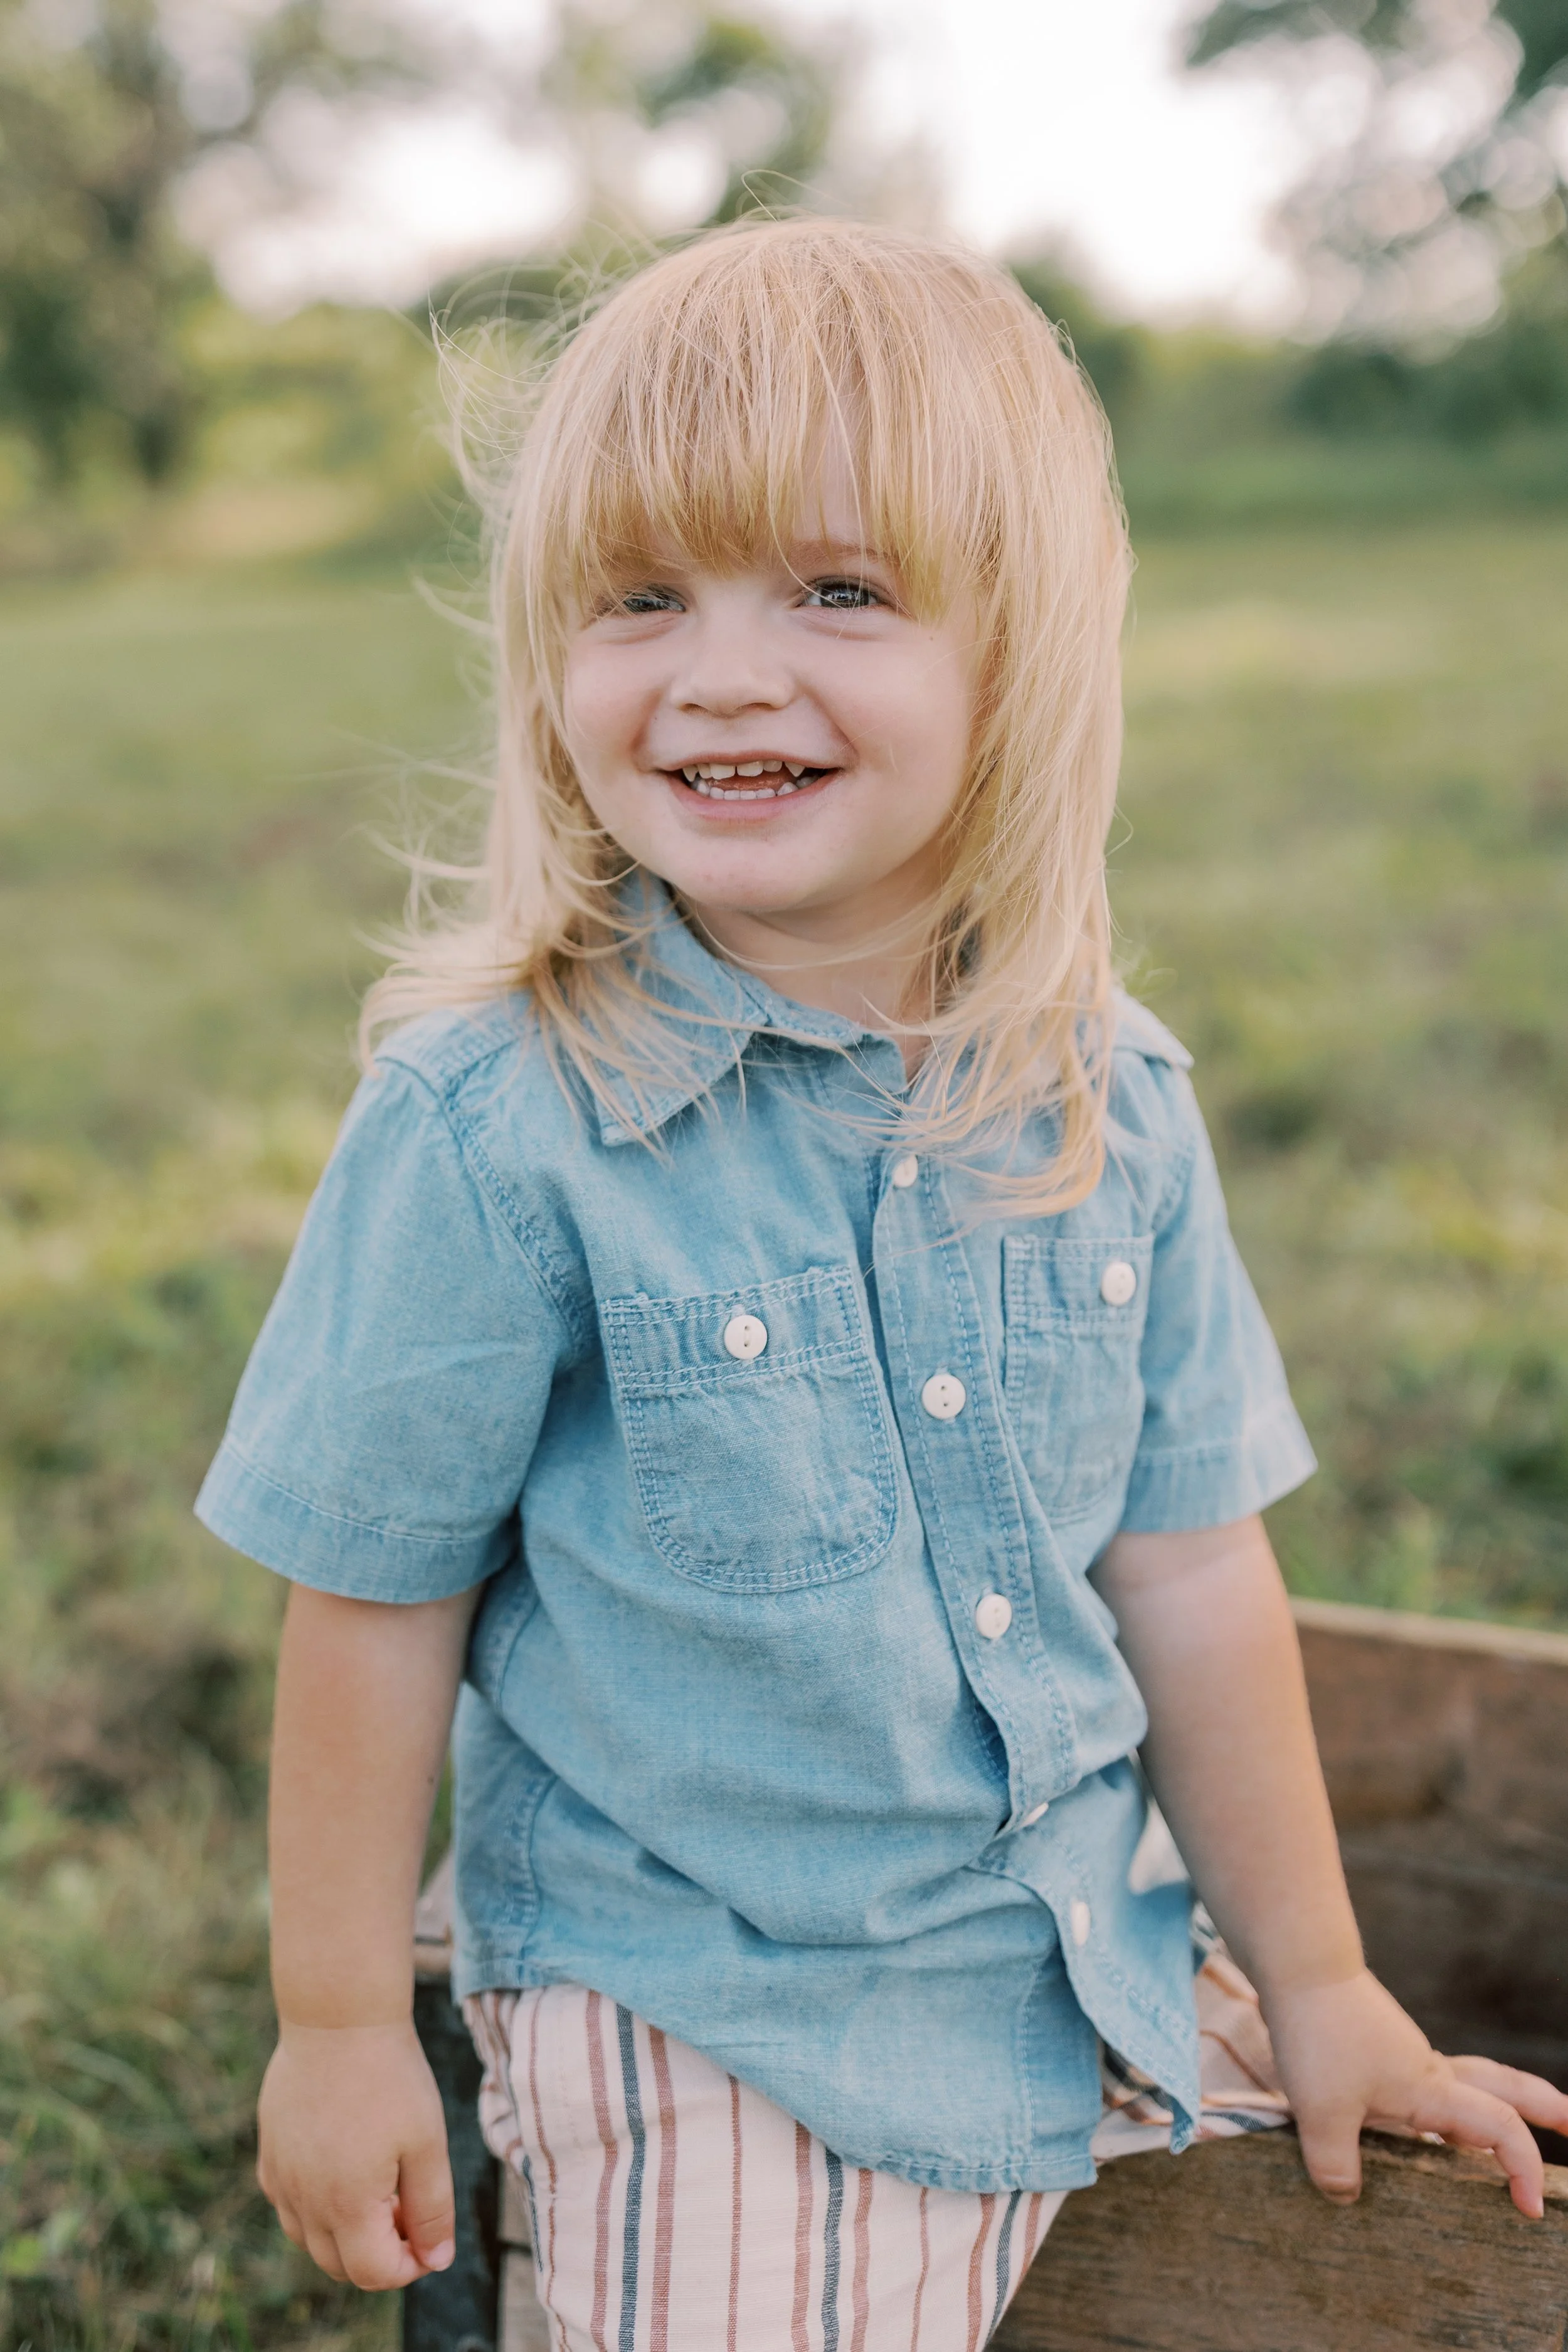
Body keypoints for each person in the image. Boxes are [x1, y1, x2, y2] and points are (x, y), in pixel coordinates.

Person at [195, 218, 1568, 2346]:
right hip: (717, 1988)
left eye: (836, 591)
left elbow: (1190, 1573)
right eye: (640, 597)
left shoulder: (1107, 1100)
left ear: (1011, 654)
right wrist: (342, 2019)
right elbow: (373, 1592)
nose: (722, 670)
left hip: (1061, 1946)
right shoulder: (501, 1123)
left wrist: (1314, 1983)